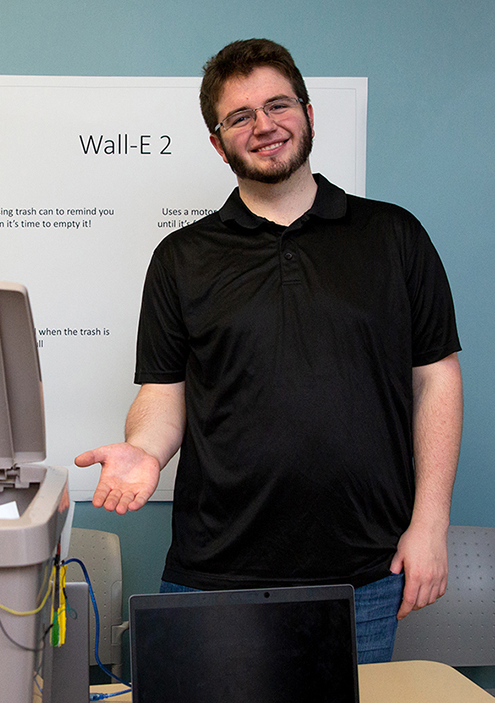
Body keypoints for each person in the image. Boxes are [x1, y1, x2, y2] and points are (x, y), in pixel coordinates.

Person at [75, 39, 463, 663]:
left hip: (361, 575)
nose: (264, 126)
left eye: (277, 104)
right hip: (214, 573)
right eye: (239, 116)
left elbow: (436, 380)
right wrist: (145, 450)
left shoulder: (394, 236)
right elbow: (164, 391)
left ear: (308, 113)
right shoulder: (182, 258)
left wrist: (430, 523)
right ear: (218, 141)